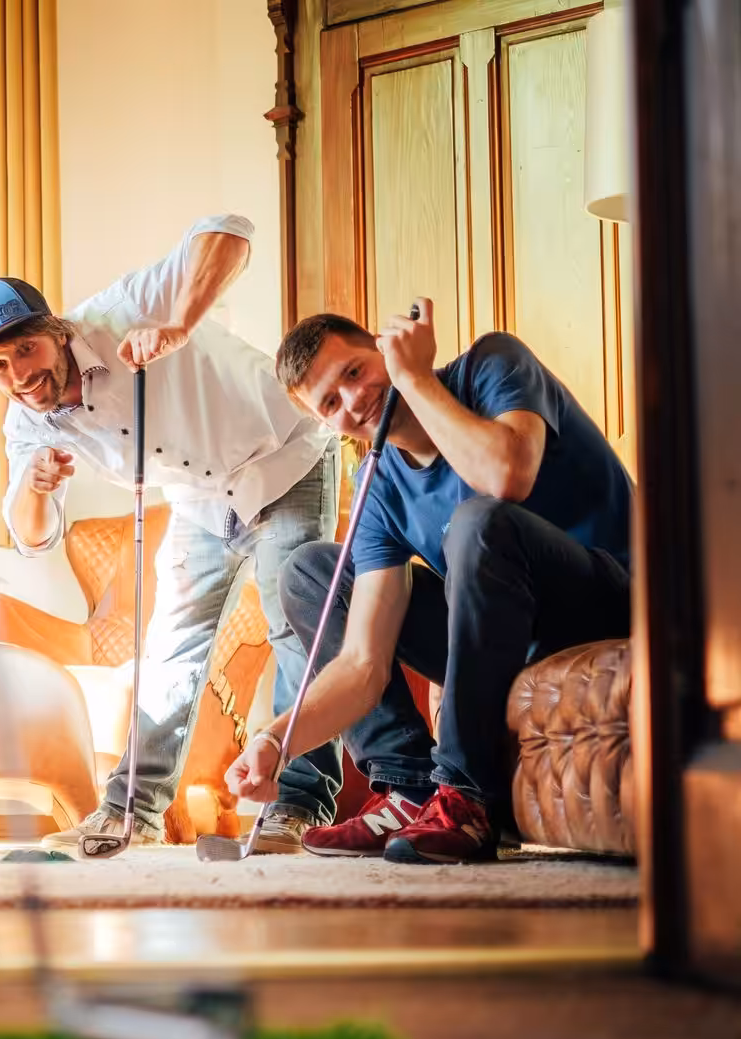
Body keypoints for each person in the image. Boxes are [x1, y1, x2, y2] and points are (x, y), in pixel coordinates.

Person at [0, 214, 339, 854]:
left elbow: (228, 232)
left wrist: (179, 324)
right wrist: (35, 488)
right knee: (169, 649)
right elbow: (33, 537)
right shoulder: (27, 426)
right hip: (200, 501)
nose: (19, 374)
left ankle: (299, 805)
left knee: (296, 622)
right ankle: (131, 810)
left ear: (55, 331)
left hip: (286, 458)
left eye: (26, 349)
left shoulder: (119, 310)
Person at [225, 300, 633, 863]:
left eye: (354, 372)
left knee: (480, 521)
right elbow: (362, 664)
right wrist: (277, 740)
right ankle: (409, 788)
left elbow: (506, 476)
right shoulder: (378, 482)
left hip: (605, 602)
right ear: (325, 424)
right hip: (501, 638)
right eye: (330, 403)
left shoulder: (491, 364)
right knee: (312, 572)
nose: (354, 399)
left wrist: (414, 379)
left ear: (382, 347)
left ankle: (467, 797)